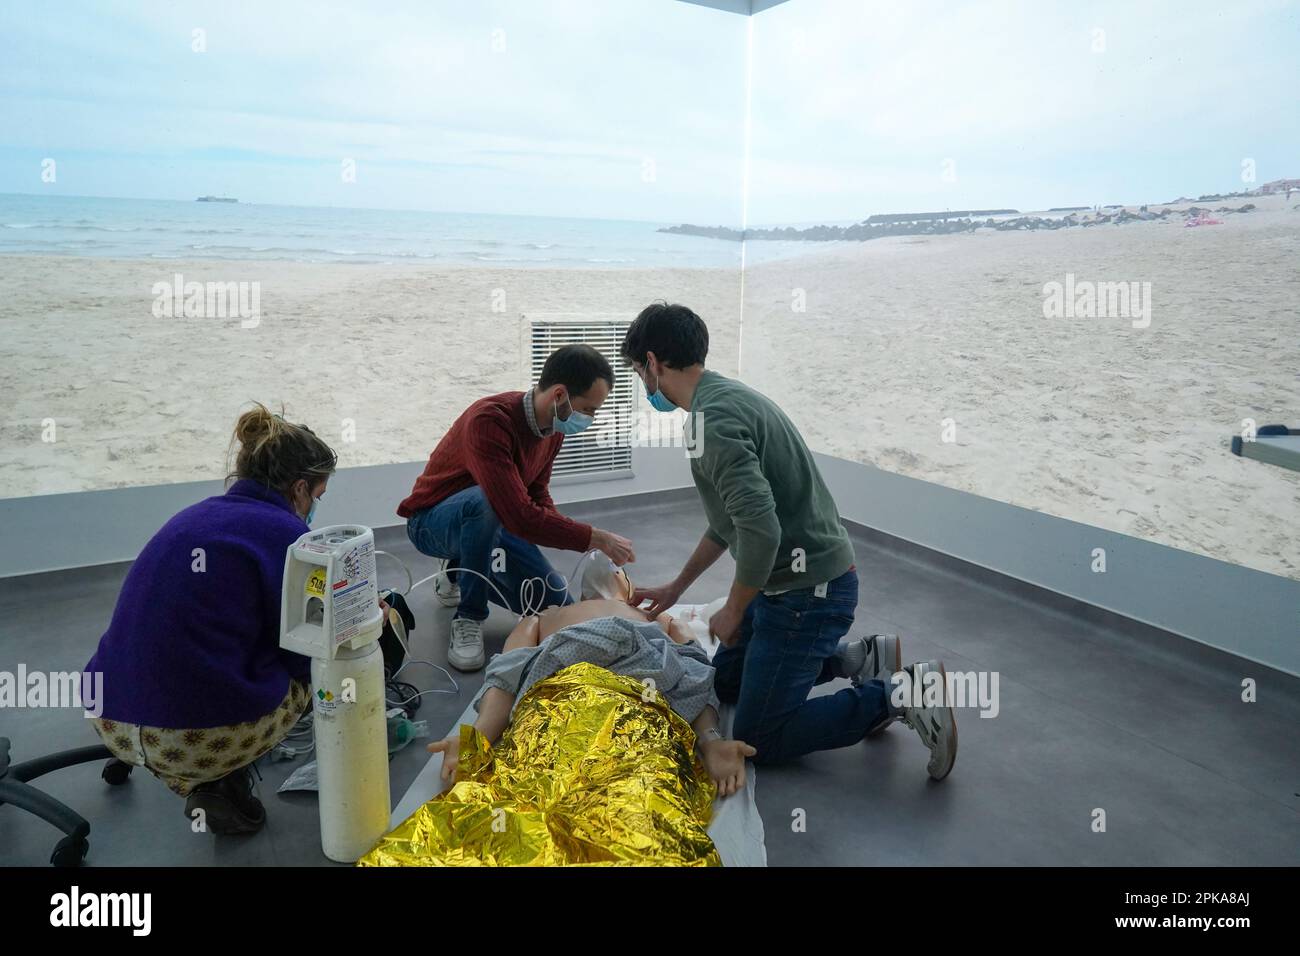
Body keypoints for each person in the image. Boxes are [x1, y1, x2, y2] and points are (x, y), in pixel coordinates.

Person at [620, 302, 958, 780]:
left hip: (809, 594)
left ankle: (903, 695)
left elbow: (761, 531)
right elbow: (729, 523)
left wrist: (734, 609)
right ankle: (861, 658)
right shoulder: (723, 399)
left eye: (639, 372)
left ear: (652, 363)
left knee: (762, 735)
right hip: (791, 585)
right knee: (727, 681)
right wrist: (677, 588)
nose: (644, 385)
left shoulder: (711, 423)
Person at [83, 404, 336, 833]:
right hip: (190, 740)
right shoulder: (289, 537)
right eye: (317, 495)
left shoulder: (193, 517)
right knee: (322, 668)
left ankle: (164, 753)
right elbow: (302, 651)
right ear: (298, 489)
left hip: (107, 711)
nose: (314, 506)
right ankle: (219, 783)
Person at [397, 345, 635, 672]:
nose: (590, 420)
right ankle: (468, 617)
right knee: (485, 504)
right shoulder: (489, 421)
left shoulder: (553, 430)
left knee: (555, 603)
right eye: (588, 409)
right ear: (560, 394)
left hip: (494, 521)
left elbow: (537, 497)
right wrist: (595, 538)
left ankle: (456, 569)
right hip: (432, 523)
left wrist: (546, 549)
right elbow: (518, 514)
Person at [427, 597, 756, 796]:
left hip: (585, 668)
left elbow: (512, 664)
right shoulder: (560, 613)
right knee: (678, 677)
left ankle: (710, 746)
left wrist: (482, 731)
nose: (613, 569)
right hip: (602, 669)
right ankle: (710, 744)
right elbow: (690, 659)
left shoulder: (553, 616)